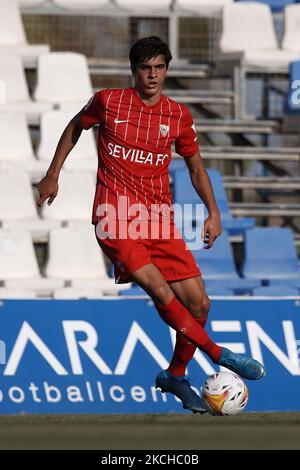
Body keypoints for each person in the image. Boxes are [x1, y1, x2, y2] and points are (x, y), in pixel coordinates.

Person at [37, 36, 265, 414]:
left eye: (160, 67)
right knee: (161, 292)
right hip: (114, 217)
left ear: (167, 70)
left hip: (158, 220)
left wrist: (213, 212)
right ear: (134, 70)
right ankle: (218, 353)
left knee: (199, 303)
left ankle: (176, 375)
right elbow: (75, 127)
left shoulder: (178, 115)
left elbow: (194, 166)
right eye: (146, 68)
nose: (153, 75)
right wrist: (52, 175)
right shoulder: (109, 102)